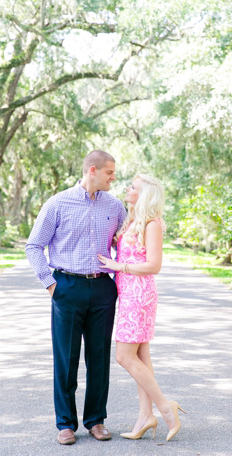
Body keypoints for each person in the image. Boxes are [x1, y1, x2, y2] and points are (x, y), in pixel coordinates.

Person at [25, 150, 127, 445]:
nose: (113, 178)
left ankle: (96, 420)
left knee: (99, 359)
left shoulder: (116, 207)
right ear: (92, 170)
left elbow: (127, 245)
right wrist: (50, 284)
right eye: (109, 172)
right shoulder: (57, 204)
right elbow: (34, 246)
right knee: (66, 359)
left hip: (103, 289)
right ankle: (66, 424)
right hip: (66, 287)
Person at [98, 174, 186, 441]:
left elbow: (154, 265)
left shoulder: (151, 224)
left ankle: (165, 409)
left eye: (133, 187)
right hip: (128, 294)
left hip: (139, 295)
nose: (128, 188)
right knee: (142, 358)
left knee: (124, 357)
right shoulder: (134, 221)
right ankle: (145, 417)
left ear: (144, 194)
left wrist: (118, 266)